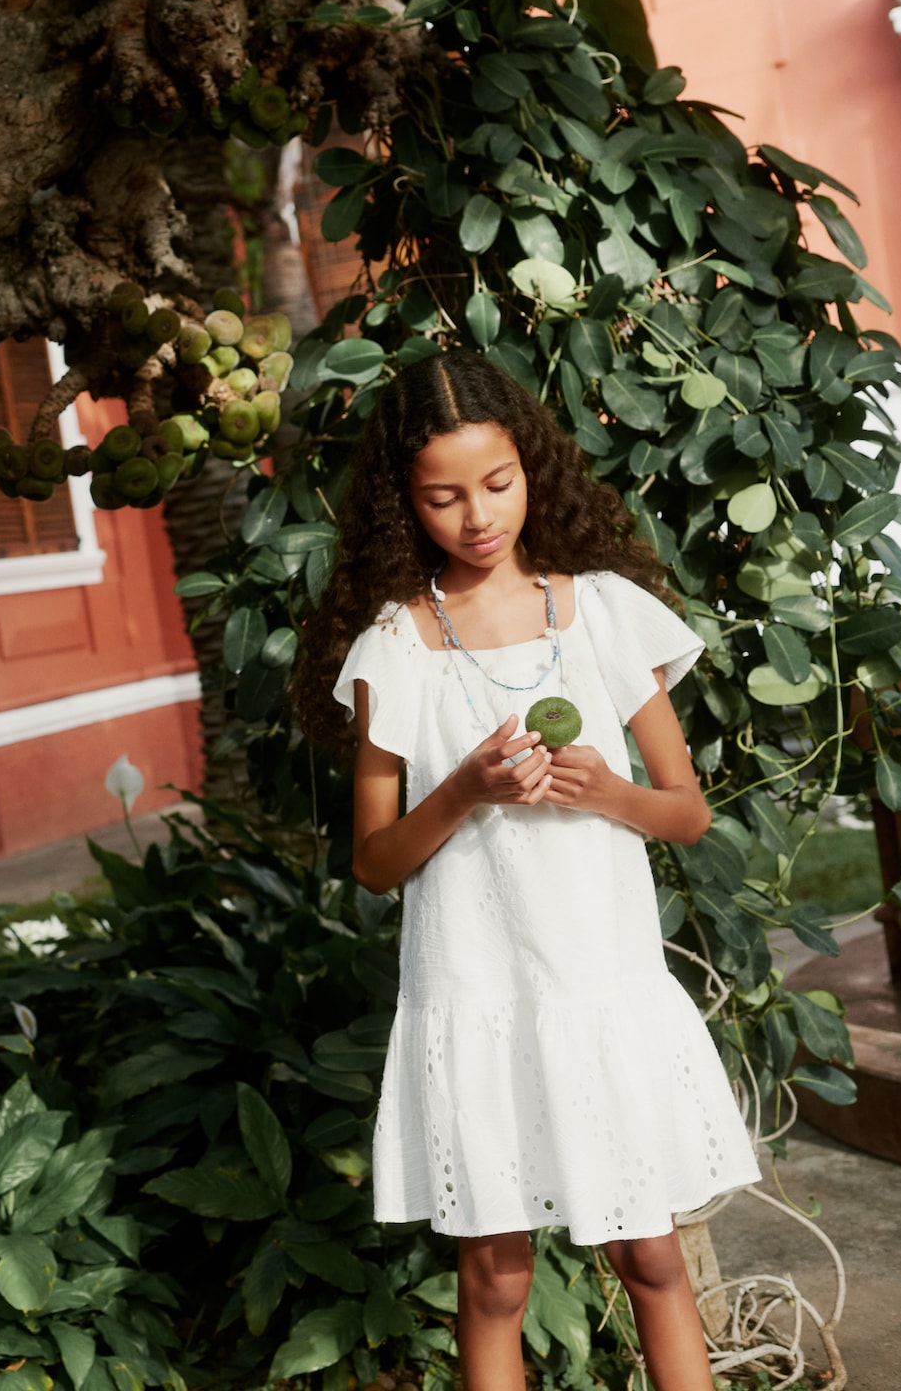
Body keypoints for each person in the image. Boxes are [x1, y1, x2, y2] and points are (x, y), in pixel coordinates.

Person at [295, 350, 760, 1391]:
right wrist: (460, 790)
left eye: (496, 483)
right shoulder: (396, 645)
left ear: (530, 468)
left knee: (651, 1253)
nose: (476, 516)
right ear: (401, 502)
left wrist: (603, 790)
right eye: (442, 496)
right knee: (495, 1280)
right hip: (479, 994)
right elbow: (374, 863)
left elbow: (684, 811)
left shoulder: (600, 609)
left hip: (603, 983)